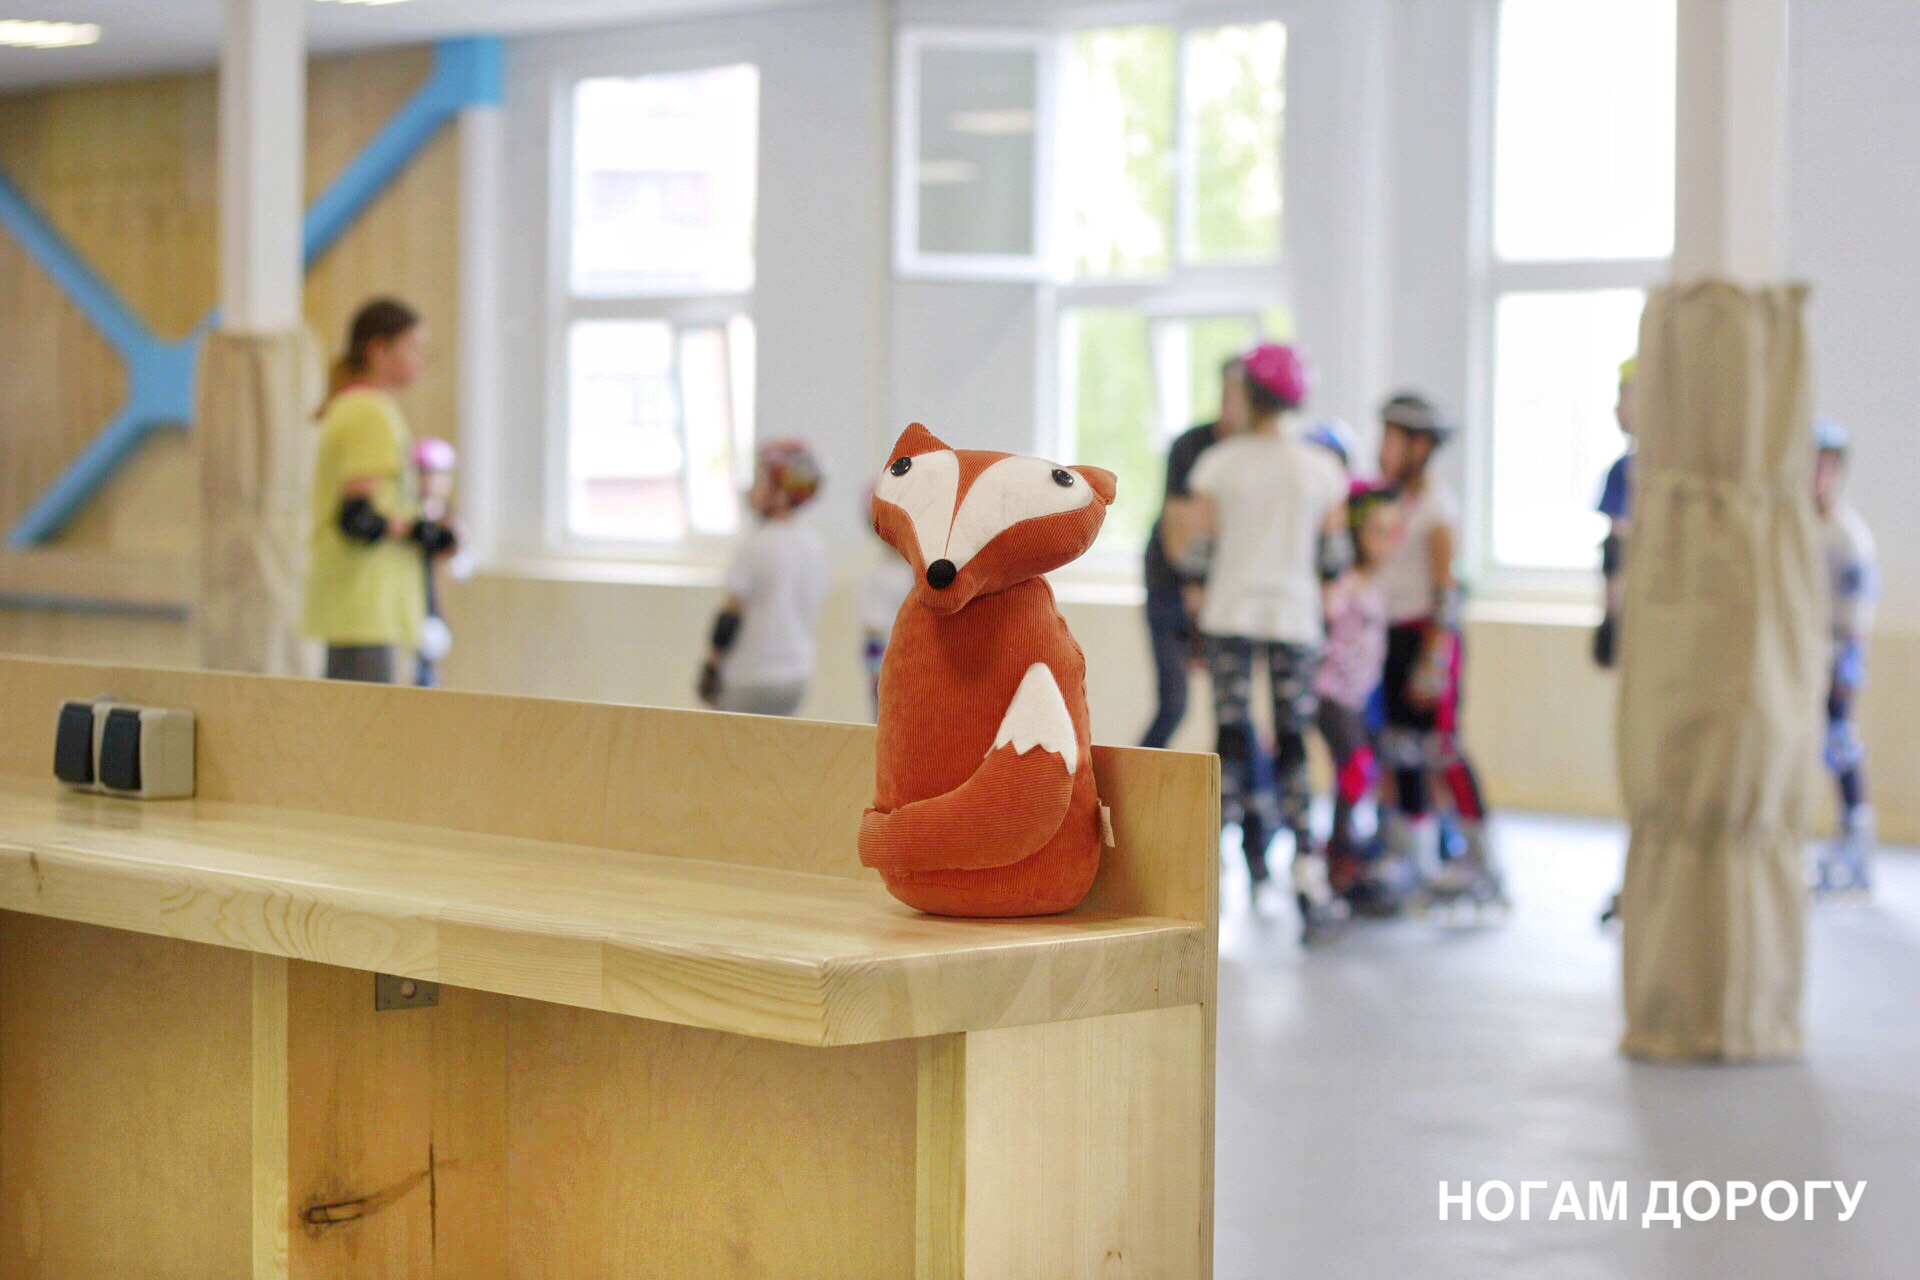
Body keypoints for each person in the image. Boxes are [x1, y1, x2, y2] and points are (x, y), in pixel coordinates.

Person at [1168, 343, 1349, 933]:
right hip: (1296, 617)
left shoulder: (1218, 464)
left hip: (1229, 613)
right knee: (1294, 741)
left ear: (1249, 393)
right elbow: (1333, 561)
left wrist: (1193, 622)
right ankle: (1307, 873)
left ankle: (1215, 875)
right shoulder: (1321, 468)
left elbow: (1199, 557)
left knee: (1231, 739)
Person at [1373, 392, 1505, 918]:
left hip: (1428, 640)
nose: (1383, 449)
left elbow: (1447, 590)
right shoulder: (1393, 500)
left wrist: (1433, 661)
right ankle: (1413, 856)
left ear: (1420, 446)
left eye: (1392, 440)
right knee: (1401, 750)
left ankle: (1481, 862)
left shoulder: (1436, 508)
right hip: (1393, 638)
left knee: (1443, 751)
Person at [302, 298, 451, 684]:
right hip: (365, 604)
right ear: (378, 350)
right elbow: (358, 518)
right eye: (412, 346)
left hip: (360, 605)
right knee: (367, 718)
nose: (421, 359)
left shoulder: (359, 406)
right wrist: (422, 532)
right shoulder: (369, 412)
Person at [1139, 357, 1251, 749]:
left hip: (1223, 592)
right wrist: (1193, 589)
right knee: (1174, 705)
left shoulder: (1250, 455)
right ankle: (1131, 782)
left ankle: (1230, 786)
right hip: (1172, 588)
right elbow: (1177, 530)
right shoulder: (1191, 447)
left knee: (1234, 712)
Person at [698, 440, 829, 717]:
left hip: (750, 675)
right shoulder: (815, 547)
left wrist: (711, 665)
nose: (752, 489)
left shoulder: (755, 544)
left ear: (781, 494)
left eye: (760, 481)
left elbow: (731, 613)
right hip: (796, 676)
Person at [1315, 483, 1399, 903]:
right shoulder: (1345, 583)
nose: (1386, 542)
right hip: (1330, 691)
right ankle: (1339, 852)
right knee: (1356, 767)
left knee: (1364, 769)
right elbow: (1324, 622)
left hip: (1360, 695)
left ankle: (1348, 846)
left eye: (1391, 532)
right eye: (1376, 532)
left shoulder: (1375, 583)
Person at [1812, 416, 1879, 898]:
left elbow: (1857, 606)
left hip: (1837, 651)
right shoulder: (1799, 527)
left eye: (1826, 467)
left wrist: (1846, 669)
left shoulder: (1847, 534)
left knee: (1839, 741)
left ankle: (1856, 842)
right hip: (1802, 653)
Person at [857, 482, 915, 718]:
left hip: (897, 671)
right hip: (896, 671)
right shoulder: (914, 573)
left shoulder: (882, 577)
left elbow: (873, 630)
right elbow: (874, 632)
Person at [1594, 358, 1637, 668]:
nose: (1616, 408)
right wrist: (1610, 621)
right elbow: (1615, 550)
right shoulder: (1622, 471)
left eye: (1623, 396)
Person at [411, 437, 462, 688]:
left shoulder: (447, 519)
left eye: (438, 474)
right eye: (424, 474)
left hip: (433, 609)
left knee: (428, 673)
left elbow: (456, 562)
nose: (431, 481)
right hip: (411, 605)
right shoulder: (411, 515)